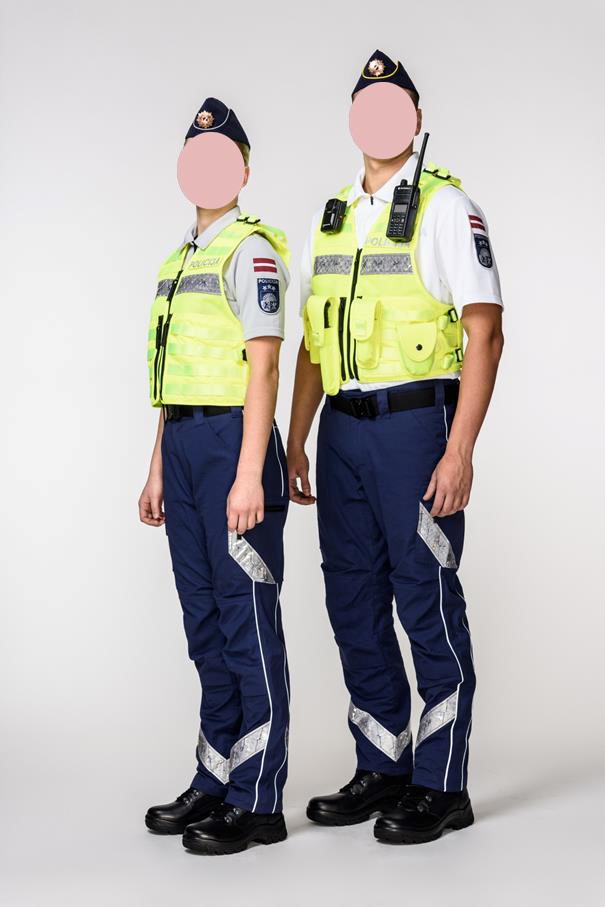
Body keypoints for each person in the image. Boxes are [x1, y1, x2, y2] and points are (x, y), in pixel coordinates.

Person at [287, 51, 504, 844]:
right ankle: (382, 764)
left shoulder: (447, 206)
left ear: (414, 117)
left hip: (416, 429)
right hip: (341, 431)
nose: (379, 119)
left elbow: (485, 333)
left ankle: (441, 785)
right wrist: (295, 439)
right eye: (366, 105)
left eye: (392, 105)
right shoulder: (333, 215)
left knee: (424, 597)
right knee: (351, 598)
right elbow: (312, 342)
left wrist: (459, 450)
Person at [139, 97, 291, 855]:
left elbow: (263, 366)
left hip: (236, 445)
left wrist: (249, 473)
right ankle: (215, 775)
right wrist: (156, 467)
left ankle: (258, 799)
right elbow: (173, 377)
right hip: (185, 447)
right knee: (203, 621)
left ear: (243, 170)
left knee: (244, 620)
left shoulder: (250, 250)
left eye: (220, 157)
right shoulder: (177, 261)